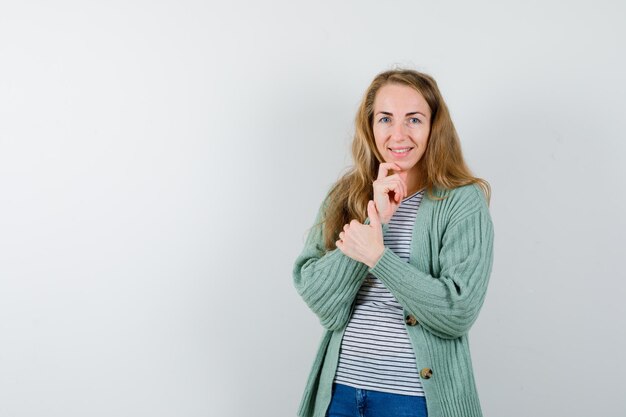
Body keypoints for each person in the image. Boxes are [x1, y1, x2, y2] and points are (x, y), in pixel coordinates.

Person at [293, 69, 494, 417]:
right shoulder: (346, 195)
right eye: (386, 118)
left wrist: (378, 256)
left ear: (434, 126)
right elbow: (319, 298)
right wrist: (376, 221)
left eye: (414, 119)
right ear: (370, 126)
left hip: (413, 401)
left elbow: (457, 311)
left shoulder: (461, 201)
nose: (398, 134)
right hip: (339, 394)